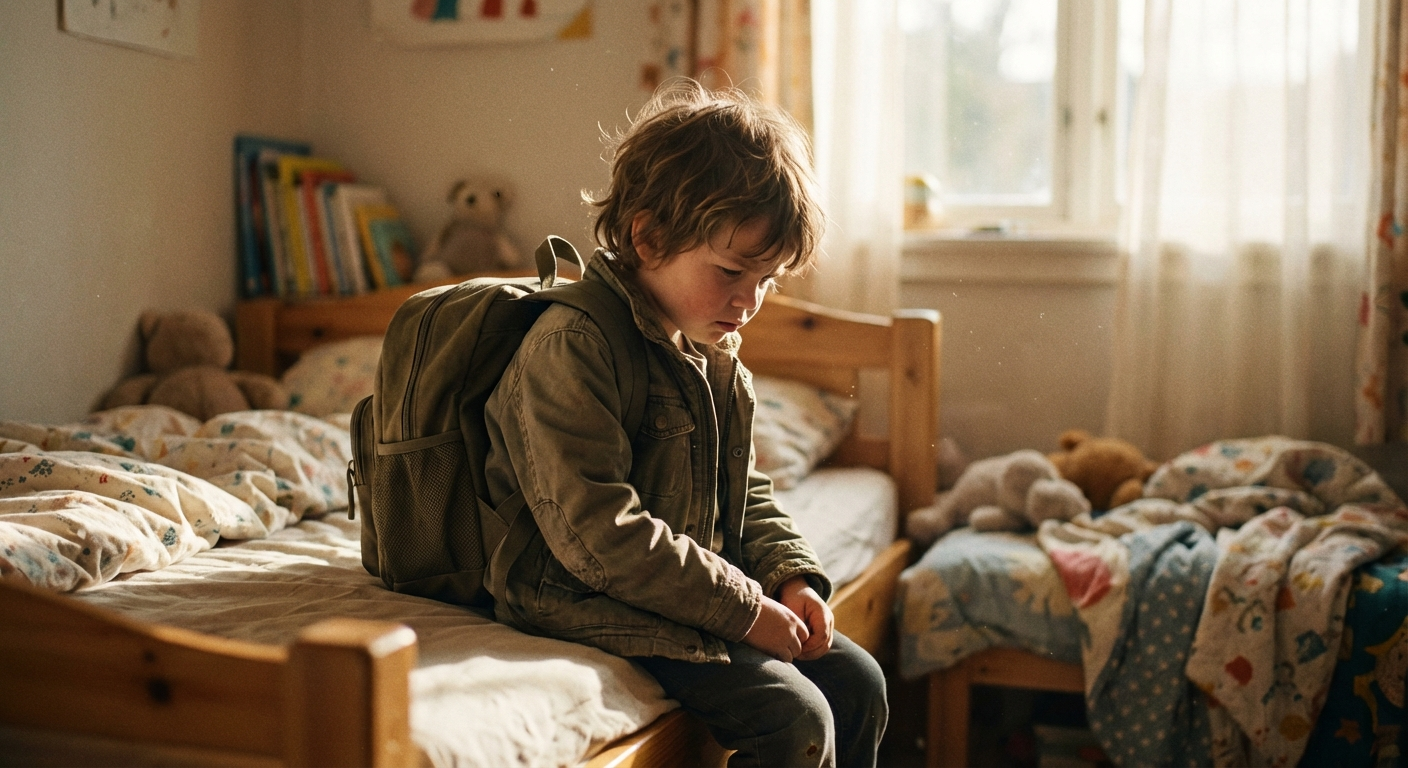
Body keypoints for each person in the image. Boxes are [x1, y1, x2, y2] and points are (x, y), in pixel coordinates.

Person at [482, 78, 887, 767]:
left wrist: (792, 577)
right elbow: (597, 533)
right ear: (648, 236)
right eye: (732, 271)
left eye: (768, 281)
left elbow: (745, 491)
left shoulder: (709, 351)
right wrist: (742, 609)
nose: (751, 301)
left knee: (860, 685)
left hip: (676, 581)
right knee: (798, 721)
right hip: (574, 590)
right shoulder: (573, 345)